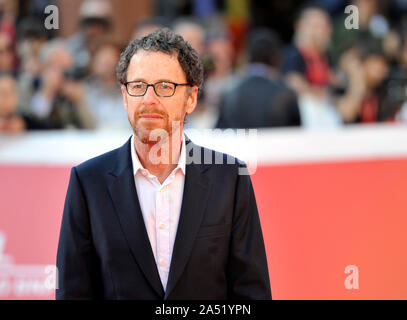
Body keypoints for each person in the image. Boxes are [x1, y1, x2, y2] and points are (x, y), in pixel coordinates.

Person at [56, 28, 271, 300]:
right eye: (138, 86)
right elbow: (73, 293)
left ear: (191, 98)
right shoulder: (88, 182)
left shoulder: (230, 179)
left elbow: (251, 293)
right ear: (124, 97)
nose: (148, 99)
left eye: (164, 87)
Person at [216, 28, 301, 128]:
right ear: (276, 58)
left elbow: (219, 134)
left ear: (247, 56)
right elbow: (297, 136)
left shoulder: (229, 93)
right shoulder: (287, 94)